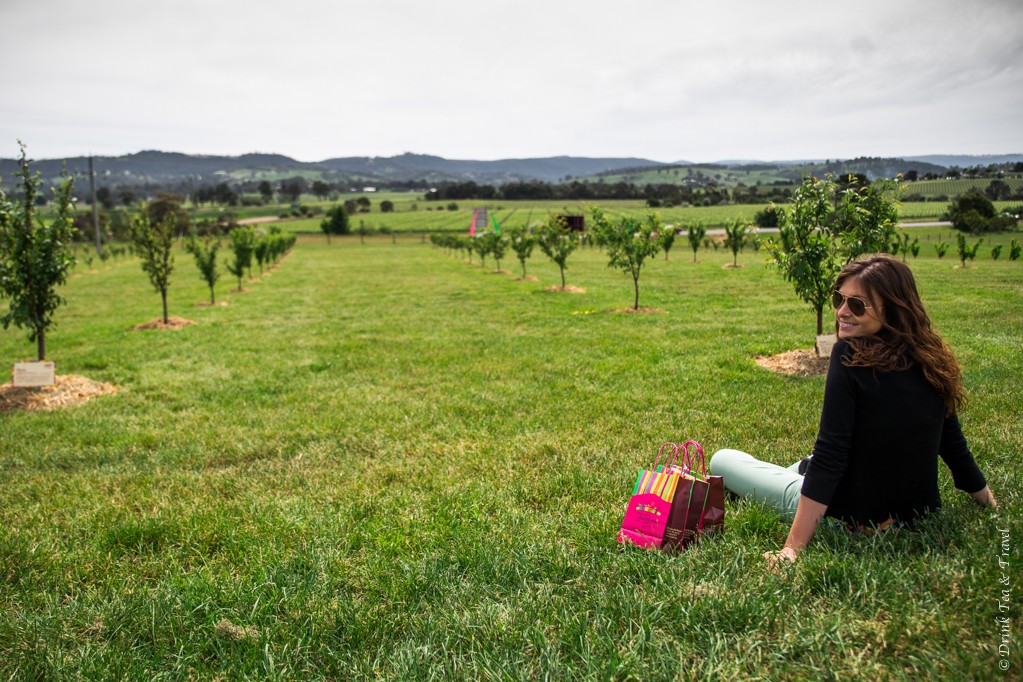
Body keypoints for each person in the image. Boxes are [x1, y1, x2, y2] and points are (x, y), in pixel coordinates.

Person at [709, 254, 998, 567]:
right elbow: (952, 443)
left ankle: (795, 472)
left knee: (723, 459)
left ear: (892, 308)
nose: (842, 311)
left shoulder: (849, 354)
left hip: (847, 515)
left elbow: (833, 454)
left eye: (858, 305)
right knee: (809, 464)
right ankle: (801, 467)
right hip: (913, 516)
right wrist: (986, 499)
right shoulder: (931, 358)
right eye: (839, 298)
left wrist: (791, 549)